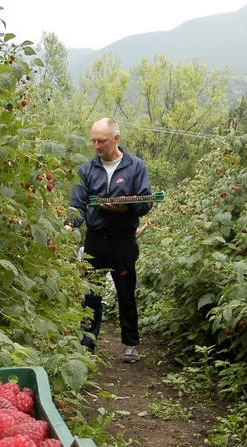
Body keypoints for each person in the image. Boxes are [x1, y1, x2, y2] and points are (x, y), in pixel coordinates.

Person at [65, 117, 153, 363]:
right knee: (90, 295)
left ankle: (130, 345)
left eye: (101, 140)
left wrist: (124, 209)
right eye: (93, 140)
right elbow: (77, 204)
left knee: (126, 292)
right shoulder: (87, 169)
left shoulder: (136, 167)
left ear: (116, 139)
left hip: (123, 240)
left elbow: (146, 202)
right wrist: (70, 223)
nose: (96, 145)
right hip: (95, 239)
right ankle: (87, 344)